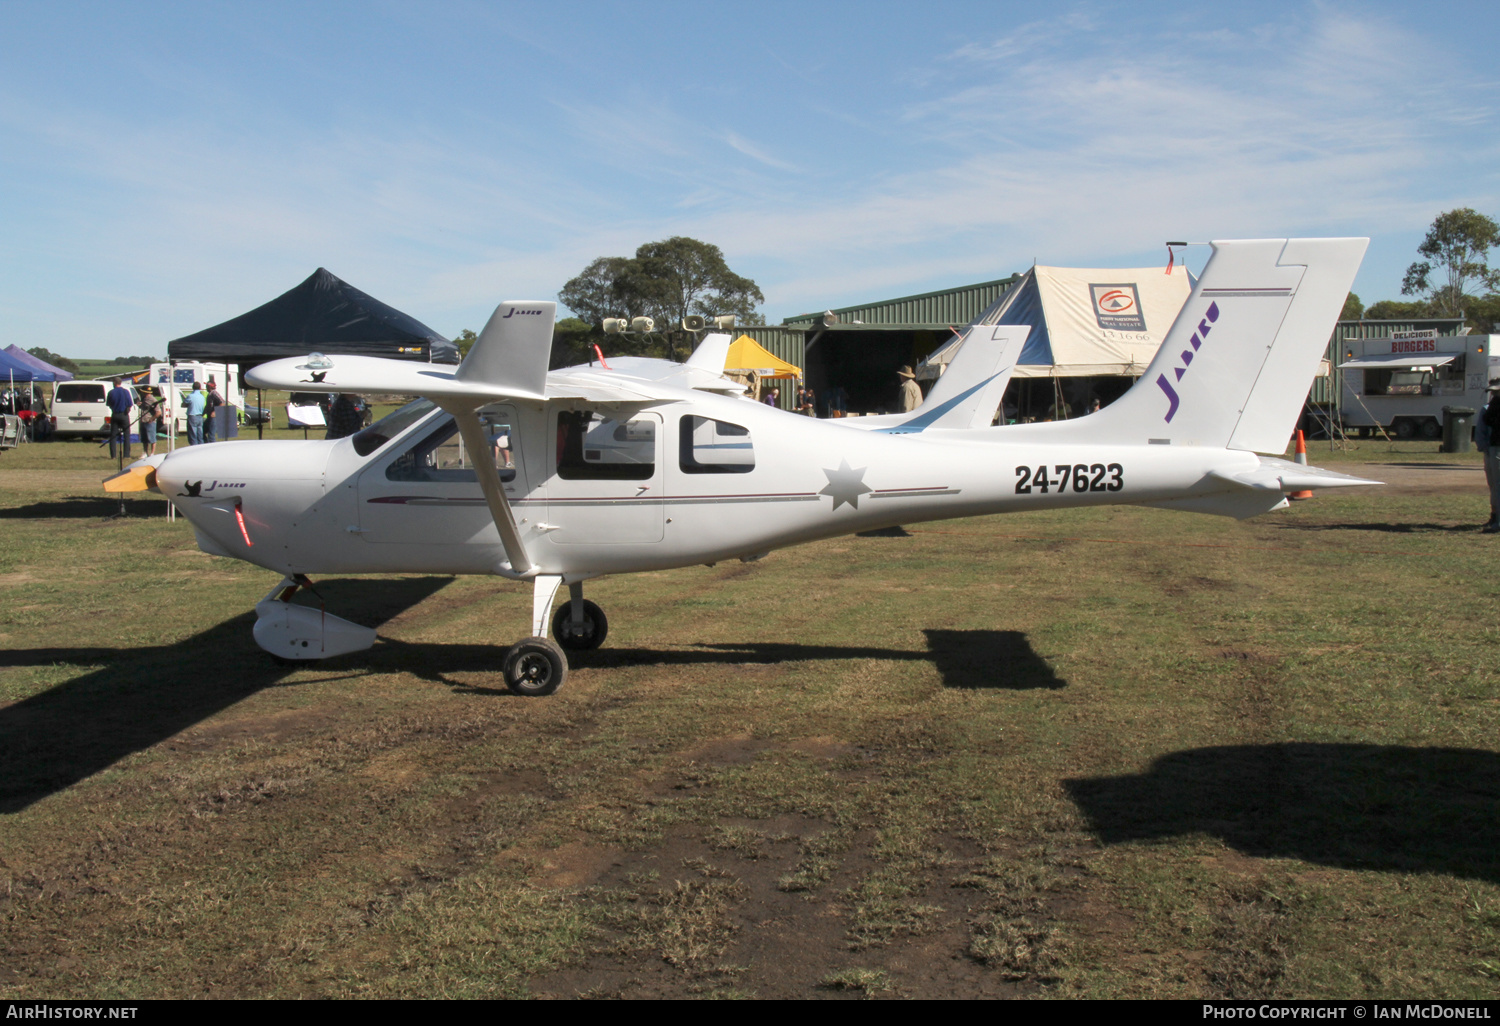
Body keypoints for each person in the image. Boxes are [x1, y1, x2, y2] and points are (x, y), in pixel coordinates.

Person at [1481, 380, 1500, 533]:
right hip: (1493, 447)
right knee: (1495, 485)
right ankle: (1495, 516)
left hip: (1496, 447)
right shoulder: (1491, 407)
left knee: (1497, 485)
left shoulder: (1493, 406)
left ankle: (1497, 520)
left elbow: (1487, 421)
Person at [105, 376, 135, 459]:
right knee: (126, 435)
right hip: (124, 415)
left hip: (115, 414)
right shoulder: (126, 392)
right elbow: (129, 404)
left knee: (113, 435)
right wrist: (126, 412)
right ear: (120, 382)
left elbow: (109, 404)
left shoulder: (111, 392)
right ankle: (126, 455)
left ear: (114, 383)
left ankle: (113, 455)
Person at [137, 387, 161, 456]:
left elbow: (158, 412)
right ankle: (145, 452)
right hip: (143, 420)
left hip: (150, 422)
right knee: (144, 438)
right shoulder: (144, 399)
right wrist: (140, 405)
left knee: (152, 438)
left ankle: (152, 453)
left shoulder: (153, 400)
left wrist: (152, 419)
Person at [203, 377, 224, 443]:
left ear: (210, 387)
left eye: (207, 386)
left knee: (211, 435)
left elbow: (222, 403)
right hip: (209, 417)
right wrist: (203, 413)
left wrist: (215, 412)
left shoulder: (214, 393)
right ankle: (206, 445)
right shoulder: (209, 394)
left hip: (214, 418)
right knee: (201, 432)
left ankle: (213, 449)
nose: (206, 387)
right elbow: (208, 406)